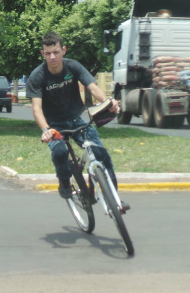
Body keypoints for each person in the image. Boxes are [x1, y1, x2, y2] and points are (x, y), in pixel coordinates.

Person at [26, 32, 128, 209]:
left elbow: (93, 87)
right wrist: (45, 130)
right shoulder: (37, 76)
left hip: (75, 119)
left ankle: (114, 200)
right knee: (59, 153)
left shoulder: (73, 67)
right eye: (48, 53)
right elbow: (37, 109)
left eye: (56, 52)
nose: (52, 57)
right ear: (43, 54)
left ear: (63, 50)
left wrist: (106, 103)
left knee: (102, 156)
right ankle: (64, 183)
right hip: (54, 126)